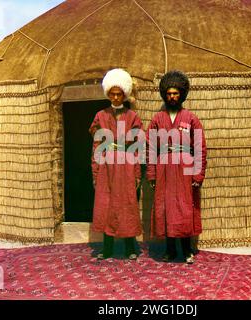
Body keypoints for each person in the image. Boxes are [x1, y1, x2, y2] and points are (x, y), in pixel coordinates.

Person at [146, 70, 207, 264]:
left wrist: (198, 175)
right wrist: (152, 174)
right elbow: (150, 149)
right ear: (165, 95)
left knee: (184, 208)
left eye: (176, 93)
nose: (172, 97)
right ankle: (170, 250)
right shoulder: (157, 120)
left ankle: (187, 250)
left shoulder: (191, 119)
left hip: (185, 168)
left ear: (181, 94)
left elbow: (199, 147)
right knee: (167, 209)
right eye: (169, 93)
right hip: (164, 169)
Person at [89, 68, 143, 260]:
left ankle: (130, 248)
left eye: (119, 94)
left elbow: (137, 148)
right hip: (106, 167)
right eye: (112, 94)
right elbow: (96, 146)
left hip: (126, 166)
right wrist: (95, 173)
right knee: (106, 205)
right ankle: (108, 248)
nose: (115, 97)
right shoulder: (100, 116)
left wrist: (137, 173)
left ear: (125, 94)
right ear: (108, 94)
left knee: (127, 204)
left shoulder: (133, 117)